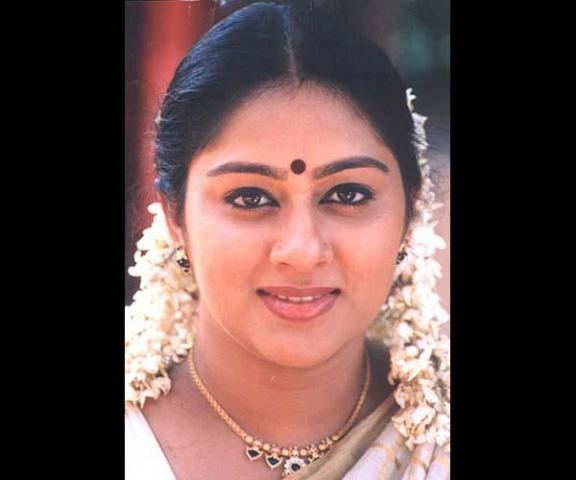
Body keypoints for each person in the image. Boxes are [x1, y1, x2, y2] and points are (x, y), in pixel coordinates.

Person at [125, 1, 450, 478]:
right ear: (176, 217)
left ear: (409, 211)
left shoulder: (435, 448)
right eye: (251, 198)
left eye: (347, 193)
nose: (301, 251)